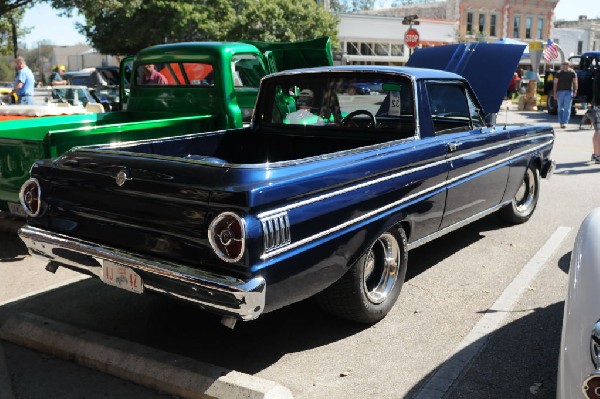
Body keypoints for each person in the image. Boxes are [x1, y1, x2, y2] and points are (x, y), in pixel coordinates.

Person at [553, 61, 578, 128]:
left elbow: (575, 82)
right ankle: (561, 122)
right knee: (560, 108)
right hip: (560, 92)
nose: (565, 66)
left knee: (567, 108)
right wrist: (555, 93)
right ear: (562, 65)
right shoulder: (558, 73)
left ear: (569, 65)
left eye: (566, 64)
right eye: (564, 64)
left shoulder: (572, 73)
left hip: (569, 92)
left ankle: (565, 122)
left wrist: (575, 91)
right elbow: (555, 83)